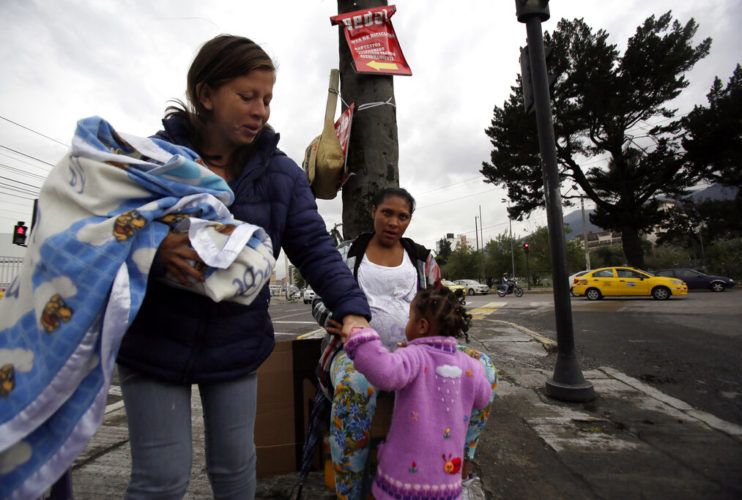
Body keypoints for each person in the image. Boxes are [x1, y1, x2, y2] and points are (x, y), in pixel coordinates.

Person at [115, 35, 370, 499]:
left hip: (236, 340)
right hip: (153, 339)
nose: (261, 110)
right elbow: (100, 225)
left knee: (235, 470)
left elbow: (313, 246)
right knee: (160, 480)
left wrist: (352, 308)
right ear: (206, 94)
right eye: (247, 96)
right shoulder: (153, 159)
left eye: (267, 99)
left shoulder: (281, 174)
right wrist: (152, 246)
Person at [312, 187, 496, 499]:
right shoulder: (346, 253)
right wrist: (333, 316)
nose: (394, 222)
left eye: (402, 216)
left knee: (485, 369)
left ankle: (461, 462)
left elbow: (441, 302)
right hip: (355, 351)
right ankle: (349, 491)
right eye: (387, 213)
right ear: (374, 212)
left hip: (419, 352)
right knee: (357, 385)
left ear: (409, 221)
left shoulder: (423, 259)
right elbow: (318, 298)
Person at [342, 287, 493, 500]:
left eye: (410, 318)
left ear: (421, 326)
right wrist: (477, 370)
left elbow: (385, 372)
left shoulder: (414, 356)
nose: (407, 324)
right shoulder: (470, 366)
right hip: (446, 485)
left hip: (402, 482)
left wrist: (361, 339)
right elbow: (483, 397)